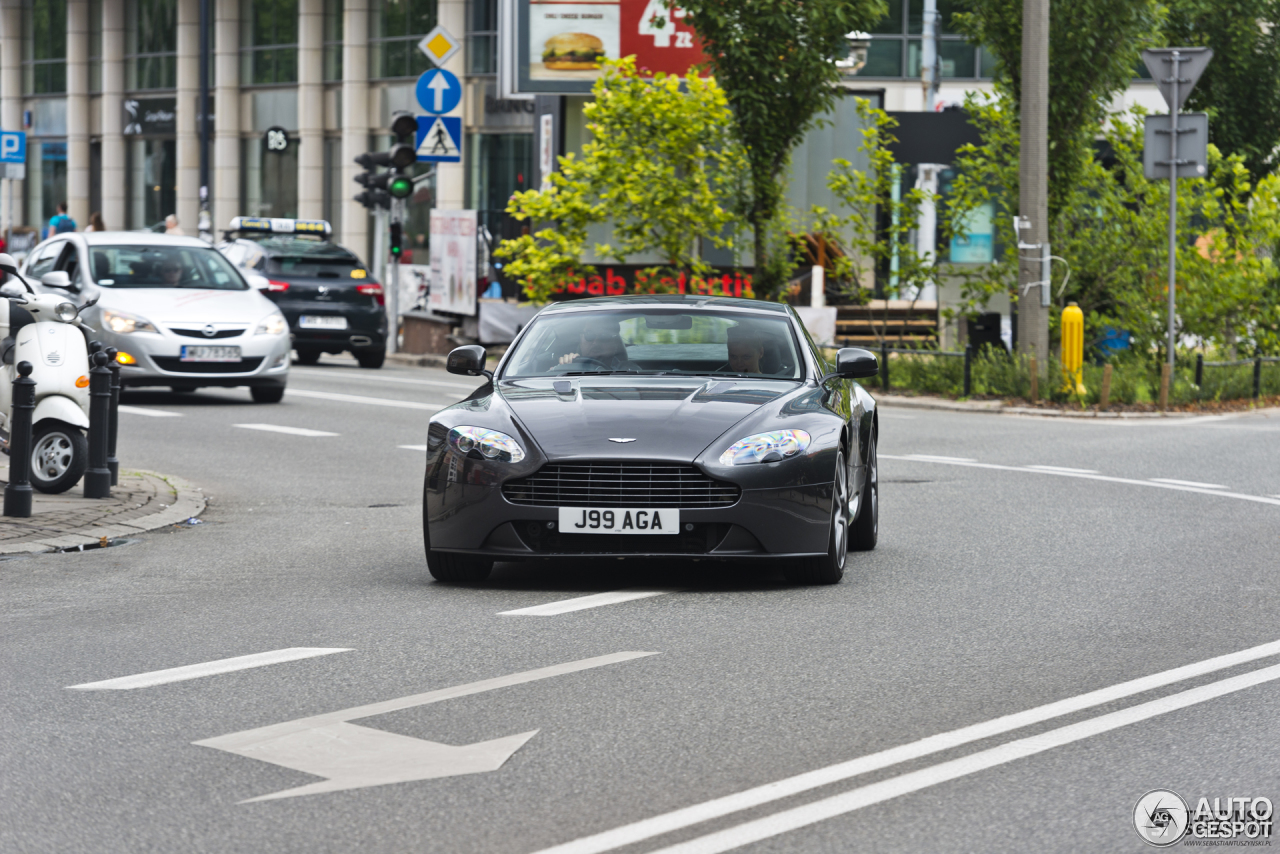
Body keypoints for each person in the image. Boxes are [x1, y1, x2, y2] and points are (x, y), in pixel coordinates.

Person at [558, 318, 637, 370]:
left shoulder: (629, 371)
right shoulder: (570, 365)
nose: (596, 342)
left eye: (604, 336)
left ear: (615, 343)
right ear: (581, 339)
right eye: (589, 335)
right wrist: (565, 367)